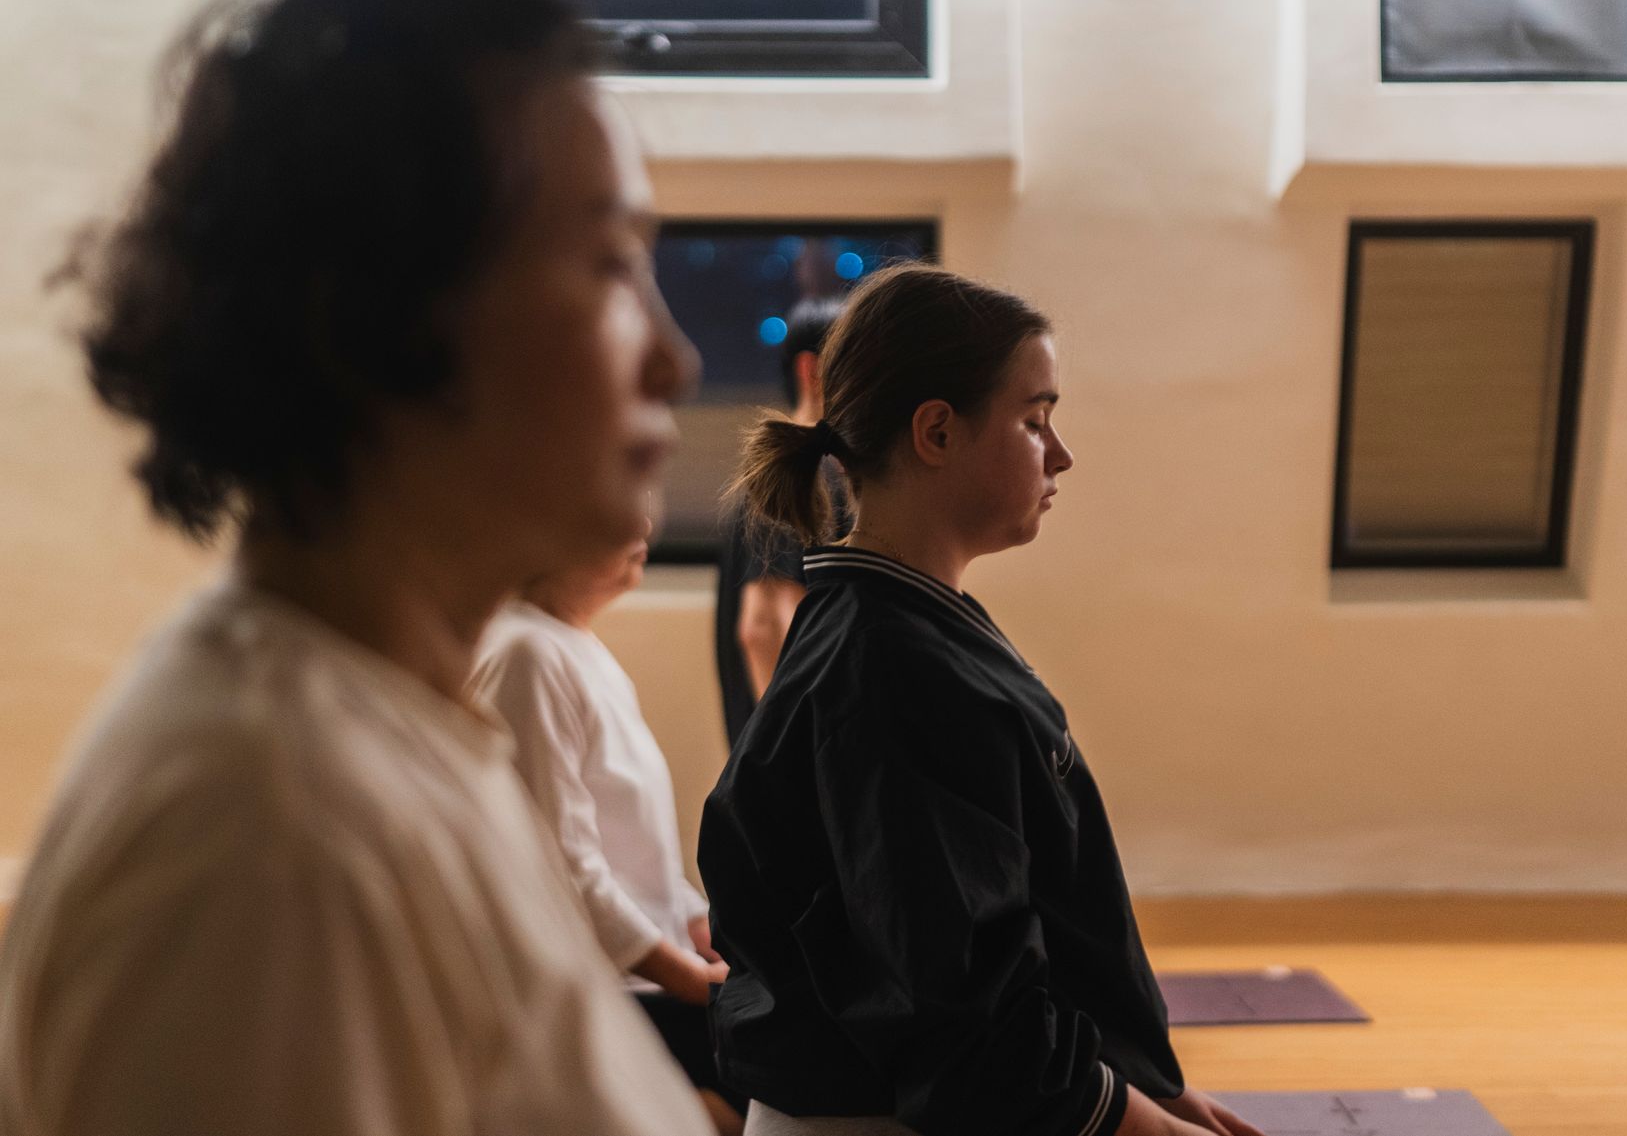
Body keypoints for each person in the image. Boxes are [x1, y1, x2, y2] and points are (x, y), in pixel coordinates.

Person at [0, 0, 714, 1135]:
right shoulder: (270, 843)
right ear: (387, 314)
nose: (673, 359)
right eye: (604, 265)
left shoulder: (403, 719)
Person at [698, 265, 1259, 1136]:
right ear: (936, 432)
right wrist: (1147, 1124)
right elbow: (965, 1015)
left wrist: (1144, 1082)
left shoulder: (898, 620)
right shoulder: (895, 668)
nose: (1061, 452)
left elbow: (1008, 930)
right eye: (1035, 420)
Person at [472, 522, 746, 1135]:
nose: (644, 524)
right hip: (613, 993)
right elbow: (559, 870)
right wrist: (691, 982)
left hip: (644, 976)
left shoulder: (576, 646)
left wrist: (701, 925)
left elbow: (634, 854)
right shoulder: (527, 653)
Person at [714, 296, 850, 746]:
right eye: (854, 360)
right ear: (811, 371)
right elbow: (765, 625)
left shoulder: (823, 470)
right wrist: (796, 765)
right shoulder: (799, 471)